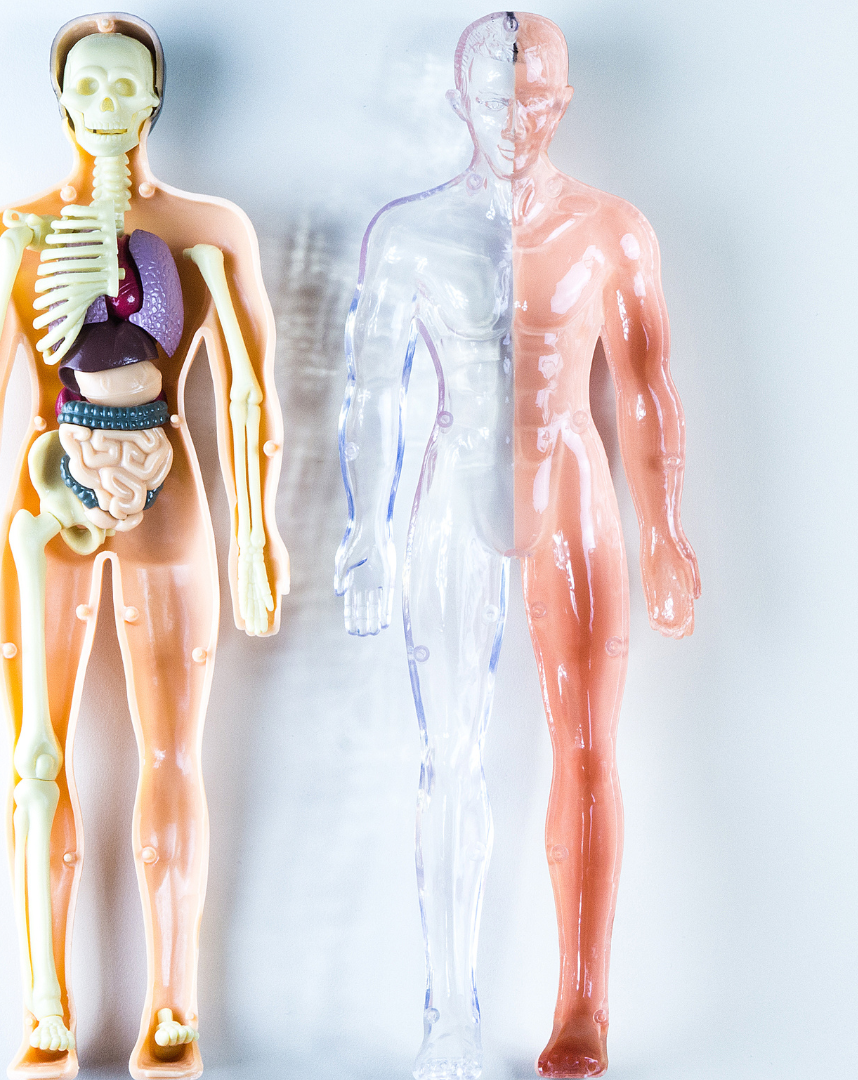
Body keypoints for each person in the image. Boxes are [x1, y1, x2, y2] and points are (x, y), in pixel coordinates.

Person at [335, 12, 698, 1078]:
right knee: (447, 755)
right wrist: (365, 535)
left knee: (586, 746)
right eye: (495, 99)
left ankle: (581, 1006)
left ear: (562, 104)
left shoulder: (611, 229)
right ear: (461, 103)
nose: (513, 118)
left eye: (533, 98)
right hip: (454, 484)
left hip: (571, 478)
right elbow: (371, 393)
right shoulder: (410, 234)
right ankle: (448, 1013)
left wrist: (666, 534)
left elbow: (648, 389)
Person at [0, 14, 288, 1079]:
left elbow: (252, 391)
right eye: (90, 87)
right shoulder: (14, 236)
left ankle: (173, 1006)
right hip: (48, 495)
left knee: (173, 754)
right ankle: (45, 1006)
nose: (109, 106)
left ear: (156, 98)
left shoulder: (209, 230)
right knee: (36, 759)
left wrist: (258, 533)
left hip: (167, 492)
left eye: (127, 86)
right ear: (63, 101)